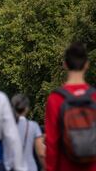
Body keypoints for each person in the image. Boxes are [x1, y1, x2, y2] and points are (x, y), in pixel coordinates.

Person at [45, 42, 96, 171]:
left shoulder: (56, 98)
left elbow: (51, 142)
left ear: (65, 64)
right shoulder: (94, 96)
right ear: (86, 65)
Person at [11, 94, 45, 171]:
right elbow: (41, 153)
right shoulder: (33, 126)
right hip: (30, 167)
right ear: (26, 108)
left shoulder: (6, 126)